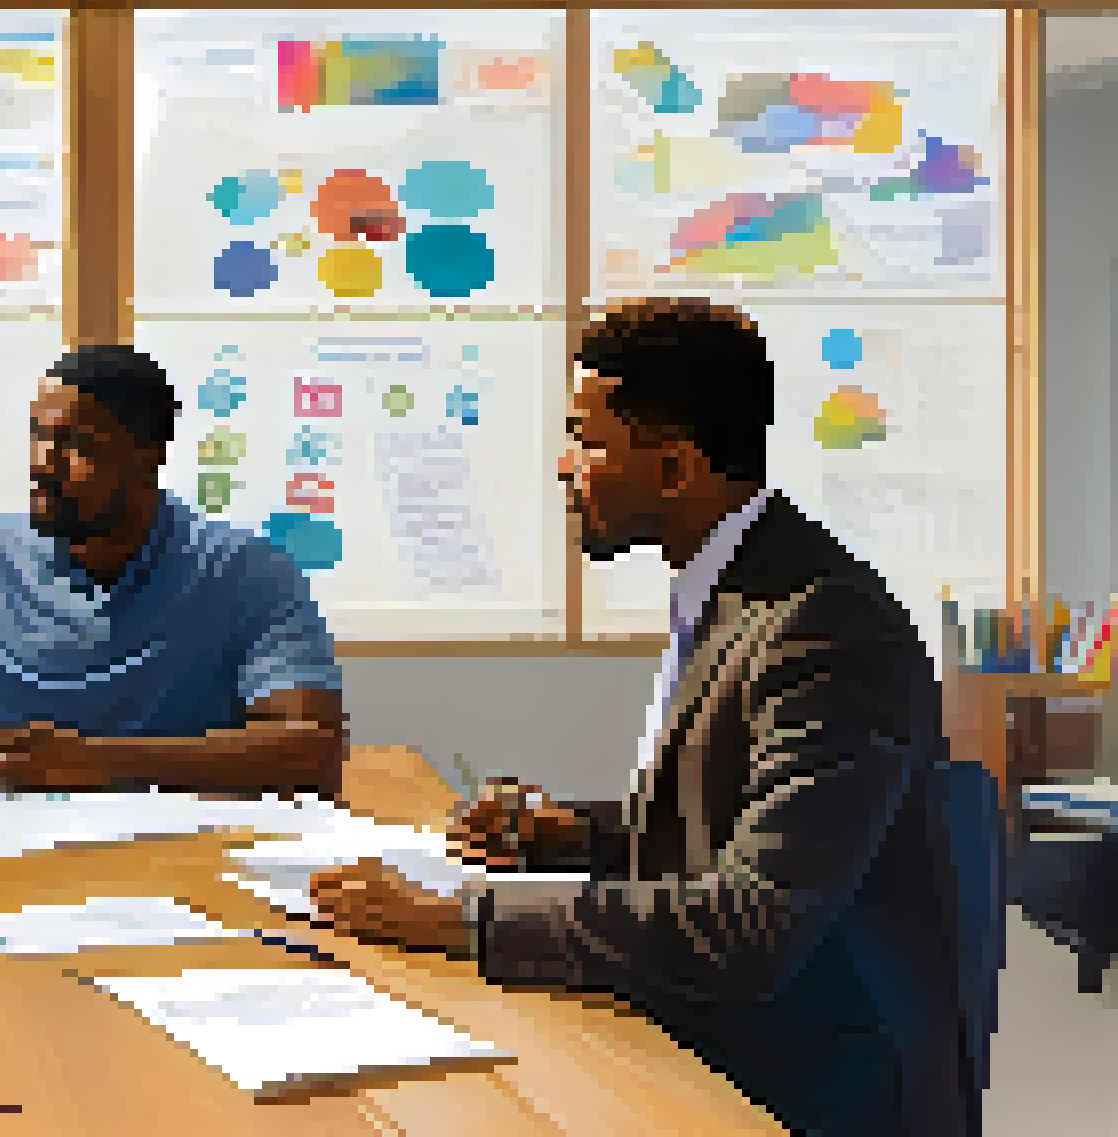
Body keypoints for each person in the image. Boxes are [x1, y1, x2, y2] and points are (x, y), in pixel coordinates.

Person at [301, 298, 974, 1137]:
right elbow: (739, 818)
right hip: (738, 1040)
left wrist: (451, 917)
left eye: (587, 438)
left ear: (673, 469)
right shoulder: (734, 587)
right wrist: (573, 837)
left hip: (813, 1081)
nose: (562, 465)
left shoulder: (822, 628)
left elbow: (750, 923)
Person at [0, 344, 347, 799]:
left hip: (172, 855)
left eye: (77, 445)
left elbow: (313, 752)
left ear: (150, 454)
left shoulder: (246, 573)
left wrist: (97, 762)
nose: (43, 464)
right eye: (39, 435)